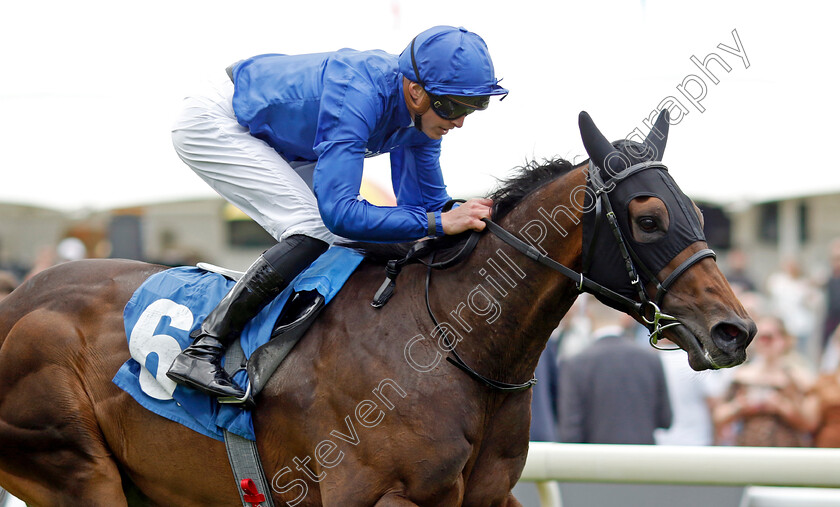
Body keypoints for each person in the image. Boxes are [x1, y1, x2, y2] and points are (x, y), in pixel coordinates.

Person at [166, 26, 508, 399]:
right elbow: (340, 213)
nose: (459, 121)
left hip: (284, 140)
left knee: (351, 240)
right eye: (454, 106)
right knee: (313, 229)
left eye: (473, 108)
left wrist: (472, 217)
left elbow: (425, 208)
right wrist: (439, 221)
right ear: (415, 90)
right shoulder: (358, 93)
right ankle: (203, 348)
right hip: (219, 119)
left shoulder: (423, 120)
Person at [558, 297, 672, 444]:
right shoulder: (651, 359)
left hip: (595, 462)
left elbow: (569, 432)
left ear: (588, 314)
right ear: (625, 316)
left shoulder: (574, 364)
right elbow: (665, 420)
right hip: (643, 461)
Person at [712, 315, 814, 447]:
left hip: (787, 452)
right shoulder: (741, 376)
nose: (764, 343)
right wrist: (739, 406)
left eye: (769, 338)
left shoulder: (798, 378)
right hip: (749, 449)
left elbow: (810, 424)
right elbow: (718, 416)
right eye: (760, 338)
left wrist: (781, 407)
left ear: (784, 340)